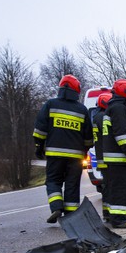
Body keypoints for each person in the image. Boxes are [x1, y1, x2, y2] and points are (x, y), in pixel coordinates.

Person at [32, 75, 93, 224]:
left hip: (54, 154)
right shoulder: (82, 109)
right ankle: (71, 217)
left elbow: (40, 129)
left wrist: (39, 146)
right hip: (76, 156)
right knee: (72, 184)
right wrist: (85, 150)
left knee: (53, 181)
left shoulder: (50, 105)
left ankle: (56, 207)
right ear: (76, 91)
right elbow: (88, 137)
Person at [101, 79, 126, 228]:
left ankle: (118, 216)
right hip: (119, 158)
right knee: (121, 188)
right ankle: (119, 219)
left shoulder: (112, 108)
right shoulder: (119, 109)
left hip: (114, 158)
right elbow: (122, 135)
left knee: (115, 187)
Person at [92, 91, 112, 220]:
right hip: (108, 157)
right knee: (111, 186)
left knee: (106, 186)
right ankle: (110, 213)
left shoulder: (96, 117)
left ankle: (106, 212)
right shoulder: (103, 117)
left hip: (101, 157)